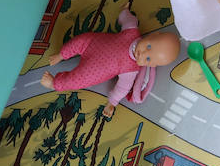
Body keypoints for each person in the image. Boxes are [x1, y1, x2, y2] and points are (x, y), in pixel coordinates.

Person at [40, 8, 179, 118]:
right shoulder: (132, 32)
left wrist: (112, 103)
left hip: (94, 70)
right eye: (148, 47)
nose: (142, 54)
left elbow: (122, 88)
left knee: (79, 79)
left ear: (150, 65)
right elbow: (129, 20)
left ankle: (55, 83)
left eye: (148, 59)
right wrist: (124, 11)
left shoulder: (131, 70)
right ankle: (61, 55)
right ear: (151, 36)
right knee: (80, 40)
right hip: (93, 43)